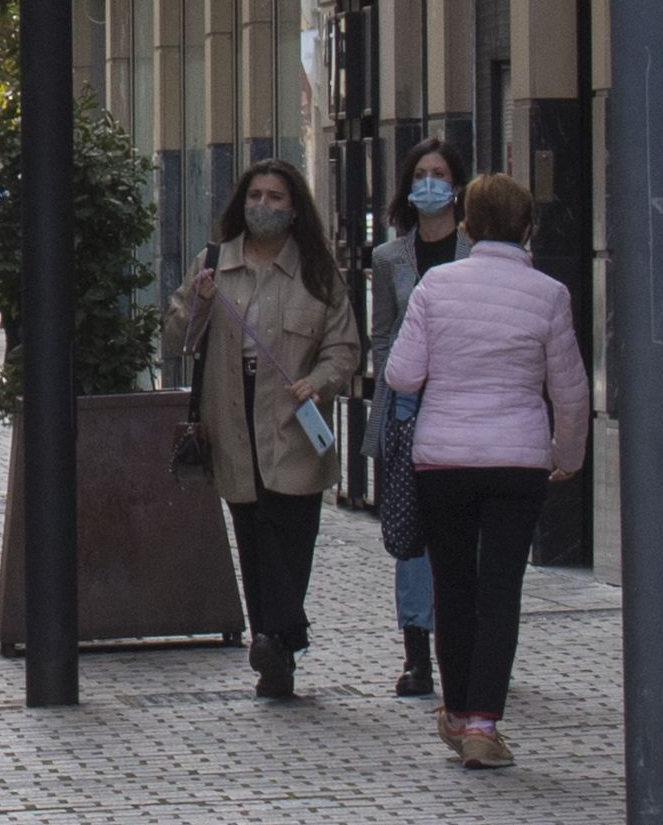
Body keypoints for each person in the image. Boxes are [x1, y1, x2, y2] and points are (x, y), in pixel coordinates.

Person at [375, 171, 585, 770]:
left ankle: (458, 708)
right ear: (528, 229)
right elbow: (568, 390)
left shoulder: (436, 286)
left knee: (453, 587)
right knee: (500, 590)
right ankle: (485, 725)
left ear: (466, 226)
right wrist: (566, 456)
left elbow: (402, 374)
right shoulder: (549, 294)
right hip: (518, 460)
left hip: (443, 459)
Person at [165, 160, 364, 702]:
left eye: (277, 197)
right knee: (252, 534)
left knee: (291, 532)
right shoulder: (213, 264)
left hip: (293, 416)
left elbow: (344, 347)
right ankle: (275, 641)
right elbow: (177, 337)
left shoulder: (318, 272)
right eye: (256, 195)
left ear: (295, 206)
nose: (265, 206)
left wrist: (319, 382)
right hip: (231, 413)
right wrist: (199, 305)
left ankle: (278, 637)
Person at [361, 142, 465, 700]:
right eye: (421, 174)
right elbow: (383, 333)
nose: (430, 183)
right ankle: (417, 652)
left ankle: (465, 641)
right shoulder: (389, 257)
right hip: (409, 405)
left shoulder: (478, 249)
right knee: (412, 532)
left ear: (457, 184)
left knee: (461, 530)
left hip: (466, 400)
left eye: (440, 174)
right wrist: (388, 401)